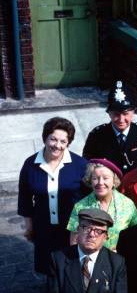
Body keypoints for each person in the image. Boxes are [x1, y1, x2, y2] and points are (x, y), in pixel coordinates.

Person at [18, 117, 87, 274]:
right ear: (45, 138)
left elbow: (89, 198)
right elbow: (25, 197)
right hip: (43, 226)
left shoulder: (80, 164)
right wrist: (29, 226)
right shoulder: (30, 164)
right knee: (49, 269)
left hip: (72, 227)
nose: (57, 145)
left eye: (63, 141)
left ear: (68, 143)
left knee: (71, 268)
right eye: (53, 139)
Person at [67, 158, 137, 249]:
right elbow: (74, 242)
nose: (100, 183)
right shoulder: (80, 206)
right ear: (90, 181)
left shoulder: (128, 204)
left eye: (105, 178)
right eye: (95, 178)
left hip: (121, 260)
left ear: (114, 181)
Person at [83, 80, 137, 174]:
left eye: (125, 114)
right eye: (116, 114)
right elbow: (88, 165)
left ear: (133, 112)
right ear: (109, 113)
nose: (121, 119)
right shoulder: (97, 135)